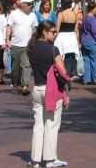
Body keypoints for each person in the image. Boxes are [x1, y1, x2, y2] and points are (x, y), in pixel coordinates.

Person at [28, 21, 70, 168]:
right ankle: (50, 159)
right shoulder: (53, 49)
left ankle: (35, 160)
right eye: (53, 32)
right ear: (44, 32)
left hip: (37, 89)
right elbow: (63, 72)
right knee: (51, 124)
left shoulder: (31, 48)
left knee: (38, 125)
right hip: (52, 90)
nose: (55, 34)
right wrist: (66, 88)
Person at [6, 0, 38, 95]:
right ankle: (15, 84)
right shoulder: (14, 14)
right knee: (16, 68)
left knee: (26, 65)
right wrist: (7, 40)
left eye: (31, 4)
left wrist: (34, 41)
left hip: (27, 45)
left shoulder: (33, 15)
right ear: (22, 5)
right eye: (28, 4)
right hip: (15, 45)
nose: (30, 6)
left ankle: (25, 86)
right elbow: (9, 27)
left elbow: (34, 29)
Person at [55, 0, 81, 79]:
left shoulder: (61, 14)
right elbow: (76, 30)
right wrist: (78, 41)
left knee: (62, 56)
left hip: (62, 37)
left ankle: (64, 73)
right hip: (72, 37)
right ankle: (71, 72)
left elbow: (57, 29)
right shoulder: (74, 14)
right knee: (71, 56)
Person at [82, 3, 96, 85]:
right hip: (93, 42)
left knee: (86, 61)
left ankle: (86, 79)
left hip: (85, 41)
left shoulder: (85, 18)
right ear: (93, 9)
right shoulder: (93, 20)